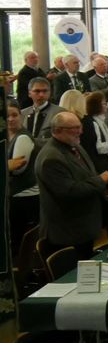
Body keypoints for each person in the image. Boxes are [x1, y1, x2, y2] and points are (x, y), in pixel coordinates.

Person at [35, 111, 108, 258]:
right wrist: (101, 180)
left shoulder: (75, 146)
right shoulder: (51, 158)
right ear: (57, 131)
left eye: (79, 126)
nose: (80, 131)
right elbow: (69, 191)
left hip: (84, 226)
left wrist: (104, 178)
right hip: (68, 231)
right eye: (73, 128)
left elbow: (86, 176)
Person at [6, 104, 40, 248]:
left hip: (24, 196)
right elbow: (11, 166)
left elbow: (18, 169)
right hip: (15, 194)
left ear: (21, 116)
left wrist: (7, 165)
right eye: (7, 116)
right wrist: (8, 164)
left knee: (17, 240)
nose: (10, 119)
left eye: (14, 115)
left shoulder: (22, 138)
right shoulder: (7, 137)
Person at [80, 91, 108, 172]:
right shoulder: (91, 122)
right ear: (96, 106)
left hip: (107, 162)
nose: (106, 106)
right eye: (103, 104)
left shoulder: (100, 120)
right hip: (99, 166)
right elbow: (99, 148)